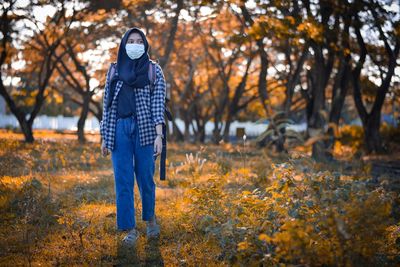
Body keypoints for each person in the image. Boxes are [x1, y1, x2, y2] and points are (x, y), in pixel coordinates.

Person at [99, 27, 166, 245]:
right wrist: (104, 137)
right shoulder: (114, 71)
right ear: (124, 44)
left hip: (145, 129)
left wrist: (159, 136)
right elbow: (107, 107)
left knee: (145, 178)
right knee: (123, 180)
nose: (135, 45)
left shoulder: (153, 71)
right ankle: (130, 228)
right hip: (119, 130)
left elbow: (158, 106)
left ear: (145, 45)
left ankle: (151, 220)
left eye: (139, 41)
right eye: (131, 41)